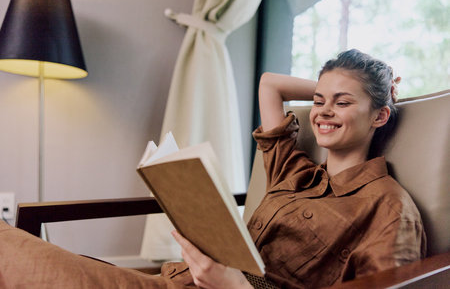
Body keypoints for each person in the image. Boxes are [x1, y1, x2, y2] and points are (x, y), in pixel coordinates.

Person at [0, 49, 425, 288]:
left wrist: (236, 287)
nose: (324, 112)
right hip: (171, 279)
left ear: (381, 117)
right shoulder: (295, 172)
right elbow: (269, 84)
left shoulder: (388, 208)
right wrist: (344, 88)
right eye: (318, 100)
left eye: (343, 103)